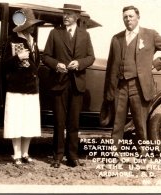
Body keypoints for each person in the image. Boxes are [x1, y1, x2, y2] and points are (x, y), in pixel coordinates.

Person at [102, 6, 161, 160]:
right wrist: (109, 90)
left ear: (138, 17)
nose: (128, 19)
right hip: (120, 86)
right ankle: (114, 153)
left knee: (140, 122)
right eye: (125, 17)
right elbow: (111, 66)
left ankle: (144, 154)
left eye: (131, 16)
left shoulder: (150, 35)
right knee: (117, 122)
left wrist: (155, 64)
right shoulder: (116, 38)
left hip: (139, 86)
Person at [42, 4, 95, 168]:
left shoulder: (85, 35)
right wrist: (56, 64)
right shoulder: (54, 33)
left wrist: (79, 63)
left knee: (74, 122)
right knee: (59, 122)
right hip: (59, 83)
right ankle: (57, 156)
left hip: (77, 85)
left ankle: (72, 156)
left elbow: (91, 57)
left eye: (69, 14)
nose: (65, 17)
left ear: (77, 17)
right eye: (64, 14)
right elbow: (46, 56)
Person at [2, 8, 42, 165]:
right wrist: (17, 57)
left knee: (29, 121)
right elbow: (4, 65)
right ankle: (16, 154)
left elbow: (36, 63)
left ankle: (25, 153)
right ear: (24, 26)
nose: (33, 27)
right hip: (16, 88)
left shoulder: (33, 41)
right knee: (16, 121)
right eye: (31, 25)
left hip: (32, 88)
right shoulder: (12, 40)